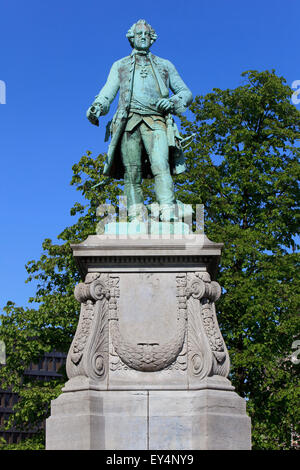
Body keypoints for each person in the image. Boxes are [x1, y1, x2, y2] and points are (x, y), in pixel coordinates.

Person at [87, 19, 193, 222]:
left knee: (161, 165)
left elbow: (185, 92)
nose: (143, 37)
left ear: (152, 38)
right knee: (131, 172)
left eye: (146, 34)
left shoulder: (164, 65)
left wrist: (171, 102)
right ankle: (135, 214)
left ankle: (168, 209)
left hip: (156, 121)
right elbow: (107, 92)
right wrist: (97, 107)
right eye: (139, 35)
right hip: (128, 122)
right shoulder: (120, 65)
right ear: (132, 38)